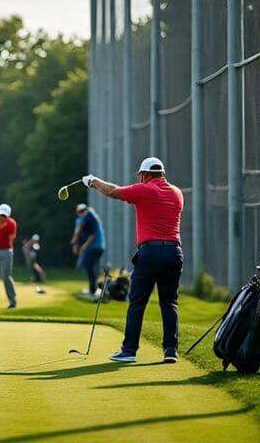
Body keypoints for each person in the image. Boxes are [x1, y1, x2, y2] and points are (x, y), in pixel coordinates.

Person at [81, 156, 184, 364]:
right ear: (162, 173)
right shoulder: (177, 193)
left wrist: (93, 181)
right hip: (174, 252)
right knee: (169, 301)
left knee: (137, 302)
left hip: (150, 253)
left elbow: (113, 191)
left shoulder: (144, 189)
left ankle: (129, 351)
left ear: (145, 175)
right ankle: (170, 351)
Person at [70, 203, 106, 299]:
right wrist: (76, 243)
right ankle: (94, 289)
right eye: (79, 211)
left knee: (89, 267)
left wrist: (81, 246)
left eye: (82, 210)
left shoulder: (89, 216)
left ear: (86, 209)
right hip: (97, 246)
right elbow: (80, 232)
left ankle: (93, 290)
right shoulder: (88, 217)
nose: (81, 212)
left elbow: (91, 234)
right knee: (91, 267)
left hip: (95, 246)